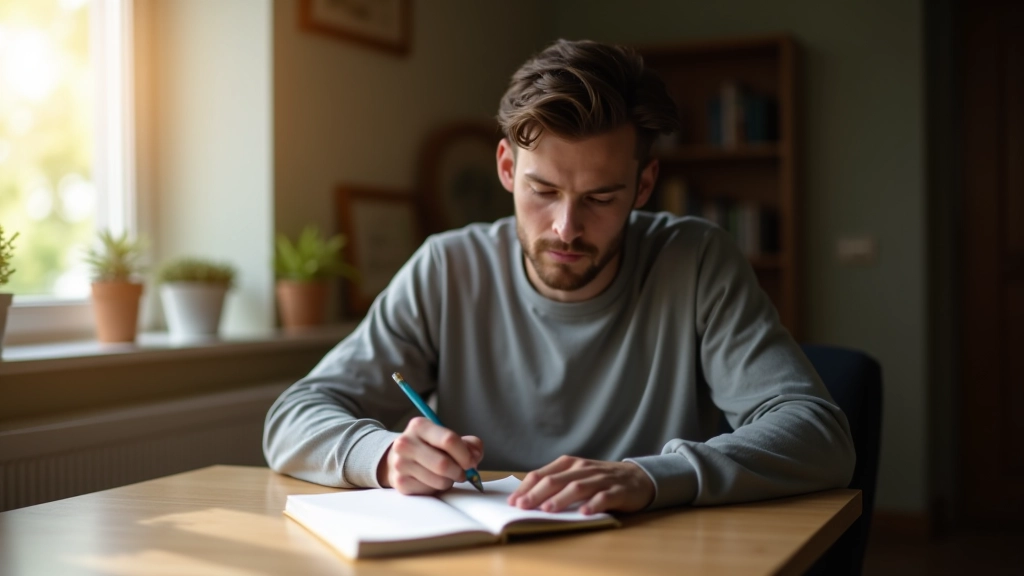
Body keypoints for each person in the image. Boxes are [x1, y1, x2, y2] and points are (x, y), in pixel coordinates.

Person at [263, 38, 855, 515]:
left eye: (601, 196)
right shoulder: (447, 267)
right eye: (543, 191)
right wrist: (385, 454)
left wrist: (649, 476)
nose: (567, 228)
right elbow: (294, 416)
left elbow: (818, 435)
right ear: (506, 167)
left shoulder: (696, 260)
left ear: (643, 186)